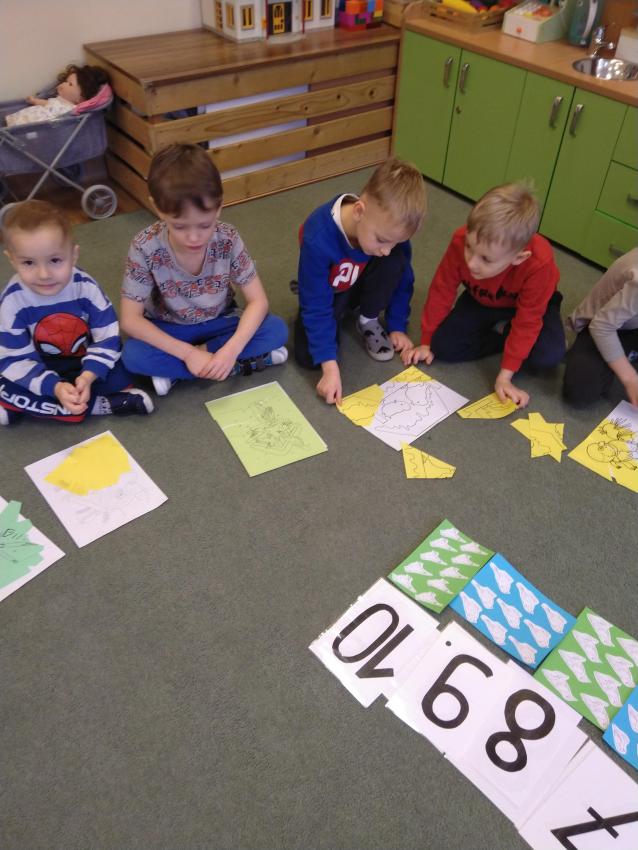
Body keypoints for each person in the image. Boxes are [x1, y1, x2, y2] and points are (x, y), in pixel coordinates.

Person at [120, 144, 288, 396]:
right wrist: (188, 353)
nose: (193, 238)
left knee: (276, 329)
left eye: (205, 225)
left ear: (219, 206)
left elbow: (258, 301)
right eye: (179, 226)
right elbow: (130, 320)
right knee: (132, 356)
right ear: (158, 208)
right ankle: (238, 365)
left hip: (219, 321)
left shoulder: (228, 238)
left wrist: (229, 349)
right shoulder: (144, 246)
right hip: (170, 327)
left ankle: (187, 371)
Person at [402, 182, 565, 408]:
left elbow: (528, 320)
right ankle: (505, 333)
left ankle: (509, 334)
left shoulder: (539, 264)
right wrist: (426, 342)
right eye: (469, 247)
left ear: (518, 257)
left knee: (548, 356)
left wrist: (505, 376)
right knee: (443, 346)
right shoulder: (462, 239)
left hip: (530, 306)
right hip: (481, 298)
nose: (471, 263)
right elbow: (442, 289)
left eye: (486, 259)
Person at [0, 200, 153, 425]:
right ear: (12, 260)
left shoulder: (86, 287)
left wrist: (89, 375)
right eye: (29, 263)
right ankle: (100, 405)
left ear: (74, 255)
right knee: (8, 379)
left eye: (55, 260)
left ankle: (30, 407)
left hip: (83, 362)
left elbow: (107, 337)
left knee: (126, 368)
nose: (44, 274)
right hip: (38, 366)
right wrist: (54, 386)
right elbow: (15, 358)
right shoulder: (12, 301)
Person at [293, 157, 427, 405]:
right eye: (382, 240)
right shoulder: (318, 237)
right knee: (308, 356)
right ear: (358, 211)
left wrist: (397, 325)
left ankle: (368, 318)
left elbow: (404, 278)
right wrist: (330, 367)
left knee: (394, 260)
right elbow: (316, 305)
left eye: (394, 242)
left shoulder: (388, 232)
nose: (386, 249)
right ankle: (342, 311)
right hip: (331, 291)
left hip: (360, 277)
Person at [563, 248, 638, 408]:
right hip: (604, 325)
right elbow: (602, 326)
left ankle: (625, 356)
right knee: (581, 390)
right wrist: (630, 379)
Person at [5, 64, 110, 127]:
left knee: (24, 125)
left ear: (81, 98)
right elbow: (47, 103)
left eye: (70, 84)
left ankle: (12, 130)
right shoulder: (59, 99)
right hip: (36, 113)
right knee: (22, 118)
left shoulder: (71, 110)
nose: (64, 84)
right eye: (65, 81)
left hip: (40, 124)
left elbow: (52, 107)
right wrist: (34, 100)